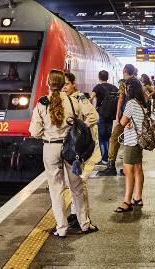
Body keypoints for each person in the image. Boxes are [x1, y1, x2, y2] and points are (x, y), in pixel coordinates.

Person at [29, 69, 98, 238]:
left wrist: (46, 133)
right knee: (77, 187)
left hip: (51, 149)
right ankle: (84, 224)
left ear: (48, 84)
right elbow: (93, 116)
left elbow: (34, 131)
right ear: (63, 84)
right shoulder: (73, 100)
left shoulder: (42, 103)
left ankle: (61, 229)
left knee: (56, 190)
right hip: (71, 149)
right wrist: (79, 129)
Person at [62, 72, 99, 229]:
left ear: (73, 84)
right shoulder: (62, 99)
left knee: (78, 182)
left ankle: (83, 215)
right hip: (66, 146)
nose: (64, 88)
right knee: (71, 182)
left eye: (67, 84)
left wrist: (79, 130)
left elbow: (93, 116)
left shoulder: (80, 98)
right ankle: (75, 213)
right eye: (61, 85)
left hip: (76, 146)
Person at [114, 77, 146, 212]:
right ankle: (138, 197)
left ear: (129, 89)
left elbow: (122, 121)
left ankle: (127, 201)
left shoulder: (131, 103)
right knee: (138, 168)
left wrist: (124, 122)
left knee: (128, 170)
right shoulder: (140, 103)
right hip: (139, 141)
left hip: (131, 141)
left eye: (126, 87)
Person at [97, 64, 135, 176]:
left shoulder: (123, 83)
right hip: (135, 116)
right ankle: (128, 167)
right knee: (130, 141)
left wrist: (118, 118)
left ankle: (111, 166)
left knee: (114, 139)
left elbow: (120, 100)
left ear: (124, 71)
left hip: (125, 115)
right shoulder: (138, 83)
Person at [89, 70, 118, 166]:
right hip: (111, 115)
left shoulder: (98, 87)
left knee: (102, 137)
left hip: (101, 114)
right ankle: (110, 158)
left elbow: (91, 98)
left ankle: (104, 159)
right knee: (108, 137)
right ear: (108, 77)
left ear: (99, 77)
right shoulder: (114, 87)